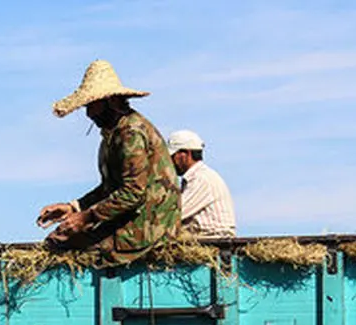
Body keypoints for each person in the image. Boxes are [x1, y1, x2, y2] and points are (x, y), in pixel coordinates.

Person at [37, 60, 181, 265]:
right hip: (136, 220)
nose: (89, 114)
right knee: (60, 236)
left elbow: (133, 193)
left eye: (92, 105)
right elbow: (111, 188)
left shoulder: (130, 133)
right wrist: (74, 207)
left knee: (61, 242)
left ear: (111, 101)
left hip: (150, 228)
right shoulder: (114, 133)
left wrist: (86, 218)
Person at [167, 129, 236, 238]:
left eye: (173, 156)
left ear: (186, 154)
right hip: (204, 238)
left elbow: (174, 214)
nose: (170, 162)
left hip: (212, 239)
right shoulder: (195, 177)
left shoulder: (201, 179)